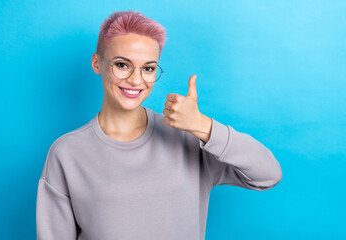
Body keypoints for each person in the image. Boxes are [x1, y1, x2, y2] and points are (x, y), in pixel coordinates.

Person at [36, 10, 282, 240]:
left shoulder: (189, 138)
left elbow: (268, 175)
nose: (135, 80)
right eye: (122, 64)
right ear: (97, 63)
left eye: (148, 68)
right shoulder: (67, 153)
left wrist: (203, 126)